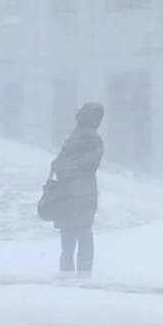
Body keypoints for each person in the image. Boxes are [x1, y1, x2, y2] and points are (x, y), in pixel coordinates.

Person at [48, 102, 105, 277]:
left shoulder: (85, 138)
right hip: (78, 191)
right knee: (78, 230)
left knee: (74, 231)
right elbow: (68, 162)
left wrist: (63, 167)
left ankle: (75, 269)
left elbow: (75, 163)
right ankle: (81, 269)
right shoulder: (84, 138)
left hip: (75, 191)